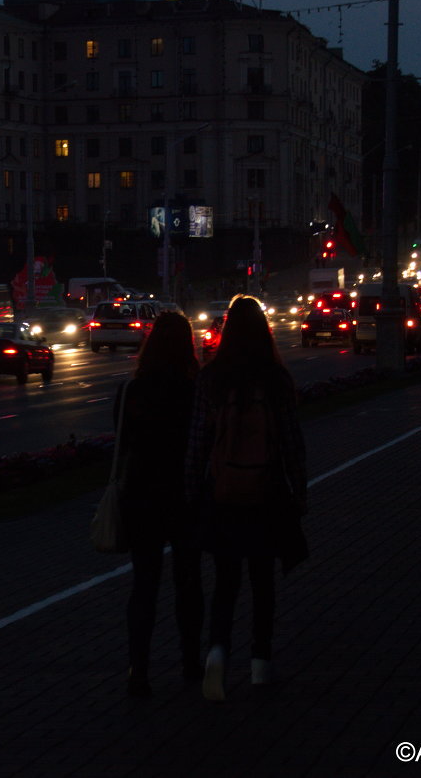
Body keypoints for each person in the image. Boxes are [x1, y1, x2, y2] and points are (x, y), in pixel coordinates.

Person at [184, 295, 308, 700]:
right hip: (267, 491)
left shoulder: (211, 378)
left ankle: (217, 652)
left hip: (224, 494)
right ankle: (260, 662)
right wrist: (299, 490)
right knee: (262, 580)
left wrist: (192, 493)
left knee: (225, 581)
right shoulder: (277, 379)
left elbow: (198, 444)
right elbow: (292, 442)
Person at [114, 310, 204, 698]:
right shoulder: (195, 389)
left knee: (144, 584)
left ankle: (139, 670)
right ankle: (189, 661)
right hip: (183, 494)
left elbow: (123, 444)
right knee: (188, 580)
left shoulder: (132, 391)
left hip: (142, 494)